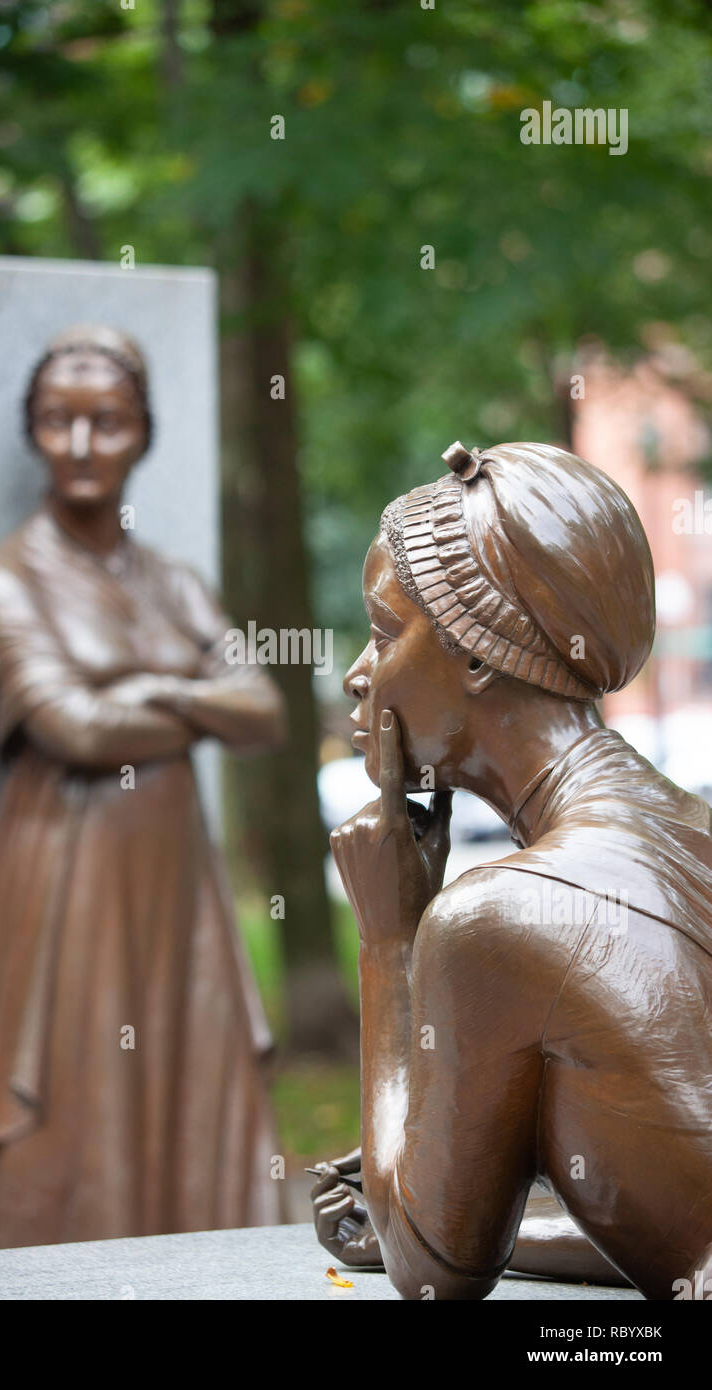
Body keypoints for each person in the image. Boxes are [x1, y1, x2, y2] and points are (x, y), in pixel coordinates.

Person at [311, 440, 712, 1300]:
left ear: (482, 654)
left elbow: (431, 1270)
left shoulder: (501, 918)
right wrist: (487, 1203)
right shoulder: (691, 830)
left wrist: (389, 942)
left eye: (384, 633)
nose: (357, 675)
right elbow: (678, 1215)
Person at [0, 325, 286, 1253]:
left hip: (173, 868)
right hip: (65, 865)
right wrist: (192, 702)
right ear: (32, 434)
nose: (83, 446)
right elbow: (75, 731)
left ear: (144, 434)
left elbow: (265, 710)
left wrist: (147, 690)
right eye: (58, 422)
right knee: (76, 1063)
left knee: (178, 1054)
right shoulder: (10, 578)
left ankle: (185, 1257)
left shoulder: (172, 580)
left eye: (109, 422)